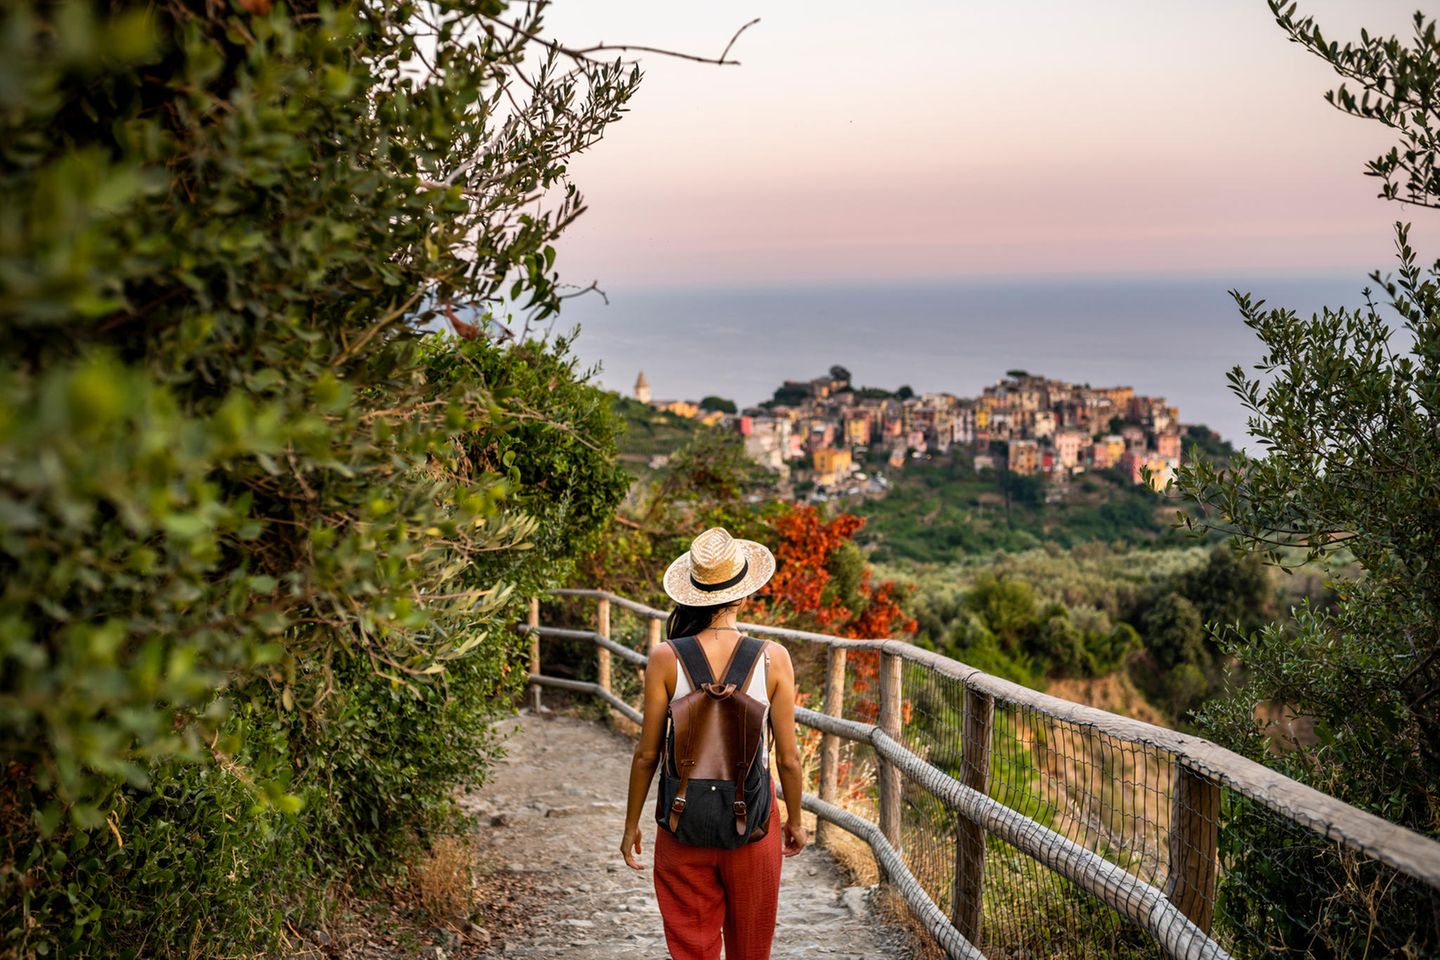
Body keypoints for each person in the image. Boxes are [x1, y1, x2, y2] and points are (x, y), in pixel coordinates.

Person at [619, 526, 809, 960]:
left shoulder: (666, 657)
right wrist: (795, 821)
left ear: (692, 594)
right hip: (754, 826)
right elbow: (790, 759)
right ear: (743, 595)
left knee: (692, 947)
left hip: (682, 822)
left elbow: (648, 753)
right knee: (750, 949)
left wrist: (632, 825)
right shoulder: (773, 657)